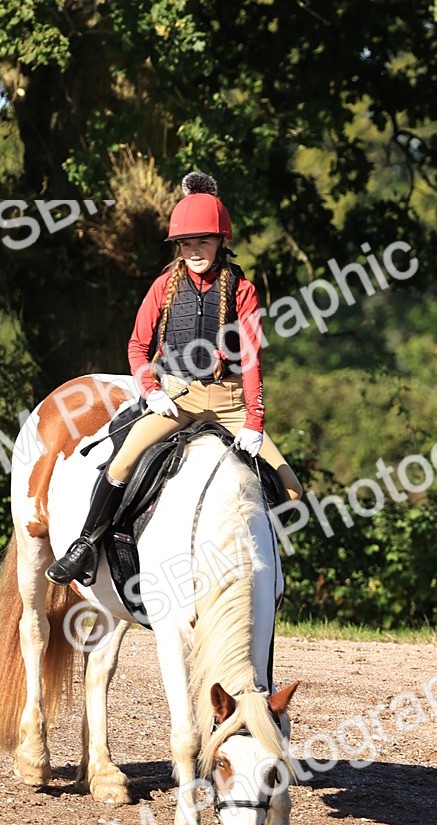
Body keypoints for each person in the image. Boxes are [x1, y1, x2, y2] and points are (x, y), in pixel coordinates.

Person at [46, 171, 302, 586]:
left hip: (230, 401)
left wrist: (254, 420)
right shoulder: (164, 286)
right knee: (123, 461)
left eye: (202, 241)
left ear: (221, 241)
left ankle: (256, 570)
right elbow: (136, 346)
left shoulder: (243, 290)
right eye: (185, 243)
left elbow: (252, 357)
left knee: (291, 490)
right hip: (176, 397)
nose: (194, 251)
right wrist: (150, 390)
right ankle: (85, 545)